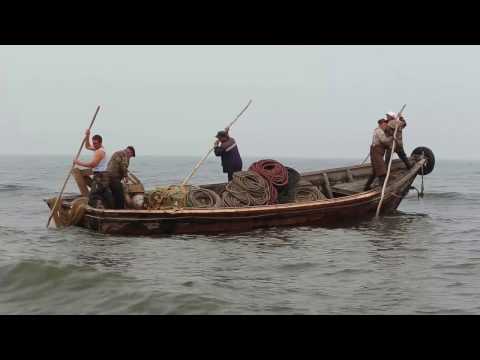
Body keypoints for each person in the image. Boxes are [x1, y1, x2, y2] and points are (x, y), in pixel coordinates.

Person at [73, 129, 114, 209]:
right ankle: (111, 208)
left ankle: (98, 209)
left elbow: (92, 165)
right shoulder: (99, 148)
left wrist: (78, 163)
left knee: (93, 195)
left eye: (95, 143)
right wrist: (88, 135)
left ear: (100, 143)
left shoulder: (99, 152)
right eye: (93, 143)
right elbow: (87, 146)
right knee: (105, 193)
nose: (94, 145)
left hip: (100, 176)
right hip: (104, 175)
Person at [364, 119, 393, 191]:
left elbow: (383, 143)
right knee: (381, 168)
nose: (385, 125)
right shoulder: (379, 131)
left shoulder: (379, 130)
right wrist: (391, 138)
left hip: (377, 151)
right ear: (380, 124)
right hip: (376, 152)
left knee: (375, 171)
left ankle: (366, 187)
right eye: (384, 124)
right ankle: (382, 187)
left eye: (386, 124)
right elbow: (383, 140)